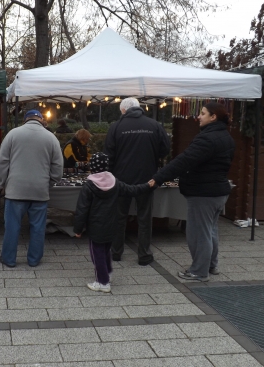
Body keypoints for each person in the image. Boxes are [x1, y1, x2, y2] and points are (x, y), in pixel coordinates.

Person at [150, 102, 235, 282]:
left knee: (199, 233)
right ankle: (211, 265)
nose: (199, 116)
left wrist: (158, 178)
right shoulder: (226, 137)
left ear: (213, 117)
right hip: (218, 191)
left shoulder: (207, 139)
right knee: (210, 231)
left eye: (203, 113)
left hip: (204, 193)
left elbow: (184, 160)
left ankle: (199, 271)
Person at [105, 97, 170, 266]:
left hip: (121, 179)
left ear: (123, 110)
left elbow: (109, 155)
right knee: (144, 218)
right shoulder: (154, 125)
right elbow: (165, 149)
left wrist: (110, 176)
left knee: (119, 217)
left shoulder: (116, 127)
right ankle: (144, 255)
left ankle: (116, 253)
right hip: (147, 179)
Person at [74, 153, 151, 292]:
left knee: (97, 254)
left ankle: (102, 282)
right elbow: (132, 190)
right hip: (112, 224)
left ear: (92, 167)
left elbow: (82, 209)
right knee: (106, 251)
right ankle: (108, 273)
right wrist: (147, 185)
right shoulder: (115, 182)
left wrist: (78, 229)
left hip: (96, 226)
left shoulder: (89, 186)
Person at [0, 109, 63, 267]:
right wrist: (49, 183)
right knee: (38, 227)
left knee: (12, 227)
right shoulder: (51, 137)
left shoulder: (13, 134)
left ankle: (9, 259)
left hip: (15, 189)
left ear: (25, 120)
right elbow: (58, 167)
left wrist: (4, 182)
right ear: (41, 120)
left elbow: (2, 162)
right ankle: (34, 260)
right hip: (40, 190)